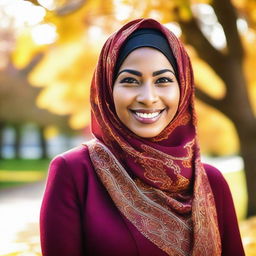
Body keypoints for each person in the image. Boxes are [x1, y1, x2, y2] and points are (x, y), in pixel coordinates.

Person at [40, 18, 245, 256]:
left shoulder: (210, 182)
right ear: (107, 88)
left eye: (163, 80)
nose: (148, 97)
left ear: (183, 87)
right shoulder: (75, 172)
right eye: (130, 81)